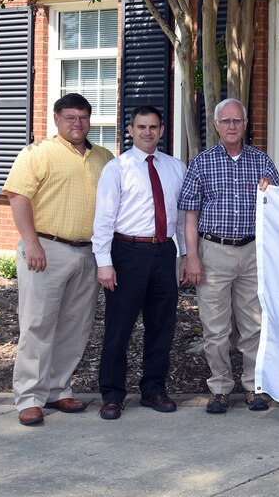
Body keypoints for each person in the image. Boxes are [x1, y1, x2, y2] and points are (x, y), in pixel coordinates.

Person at [3, 93, 113, 426]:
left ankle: (58, 389)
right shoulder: (38, 153)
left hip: (88, 253)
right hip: (46, 250)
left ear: (90, 120)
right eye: (69, 117)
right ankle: (29, 398)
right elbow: (18, 196)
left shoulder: (105, 158)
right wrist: (32, 243)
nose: (76, 123)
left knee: (74, 327)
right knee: (37, 326)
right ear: (56, 119)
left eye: (82, 117)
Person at [178, 98, 279, 414]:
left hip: (251, 252)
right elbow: (190, 215)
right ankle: (220, 388)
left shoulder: (261, 162)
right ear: (216, 125)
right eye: (226, 121)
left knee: (254, 325)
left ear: (245, 124)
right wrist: (191, 256)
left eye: (237, 121)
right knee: (215, 327)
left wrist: (272, 191)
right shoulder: (202, 162)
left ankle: (253, 387)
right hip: (213, 252)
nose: (232, 127)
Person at [92, 106, 187, 420]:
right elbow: (104, 220)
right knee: (119, 328)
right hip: (127, 252)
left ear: (161, 131)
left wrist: (185, 253)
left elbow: (182, 217)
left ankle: (154, 389)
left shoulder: (176, 167)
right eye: (141, 127)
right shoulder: (117, 169)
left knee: (161, 326)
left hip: (163, 253)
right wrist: (104, 263)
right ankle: (112, 394)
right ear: (130, 130)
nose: (148, 132)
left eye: (154, 127)